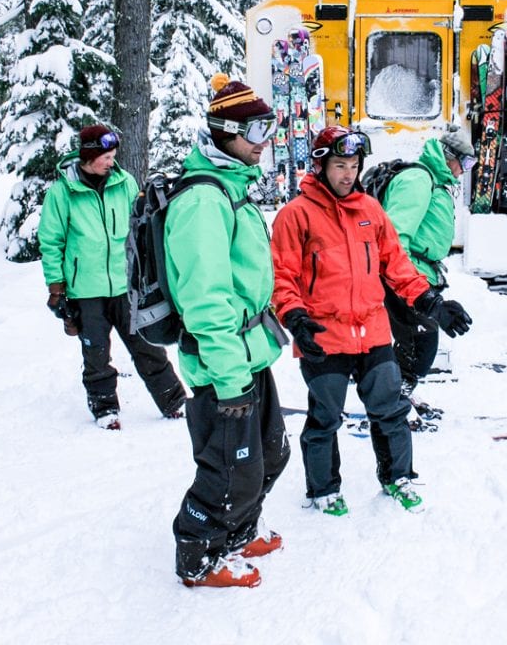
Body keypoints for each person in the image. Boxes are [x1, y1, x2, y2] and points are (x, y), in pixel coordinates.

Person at [271, 125, 472, 517]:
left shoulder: (370, 211)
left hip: (373, 329)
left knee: (390, 408)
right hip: (324, 334)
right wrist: (294, 317)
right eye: (340, 165)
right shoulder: (296, 216)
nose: (348, 174)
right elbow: (281, 276)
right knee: (325, 417)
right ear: (321, 165)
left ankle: (398, 476)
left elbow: (397, 266)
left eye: (354, 165)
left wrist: (432, 302)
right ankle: (324, 488)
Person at [164, 76, 290, 589]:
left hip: (249, 353)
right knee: (229, 469)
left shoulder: (231, 187)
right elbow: (206, 299)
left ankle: (237, 532)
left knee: (270, 453)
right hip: (225, 365)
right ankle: (197, 557)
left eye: (270, 126)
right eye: (256, 128)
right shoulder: (202, 202)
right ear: (226, 132)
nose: (266, 138)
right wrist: (229, 377)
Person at [38, 124, 186, 430]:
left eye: (113, 155)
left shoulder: (124, 182)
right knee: (96, 353)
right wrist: (57, 290)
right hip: (85, 289)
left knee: (146, 346)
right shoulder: (62, 192)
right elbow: (52, 242)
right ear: (88, 156)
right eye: (105, 156)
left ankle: (174, 401)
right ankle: (105, 408)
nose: (111, 161)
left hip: (126, 285)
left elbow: (139, 228)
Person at [381, 127, 476, 397]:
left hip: (419, 273)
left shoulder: (432, 180)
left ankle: (398, 397)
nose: (464, 170)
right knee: (419, 343)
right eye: (465, 162)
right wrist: (410, 280)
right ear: (449, 156)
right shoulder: (418, 180)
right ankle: (392, 403)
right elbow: (394, 238)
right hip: (406, 275)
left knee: (417, 342)